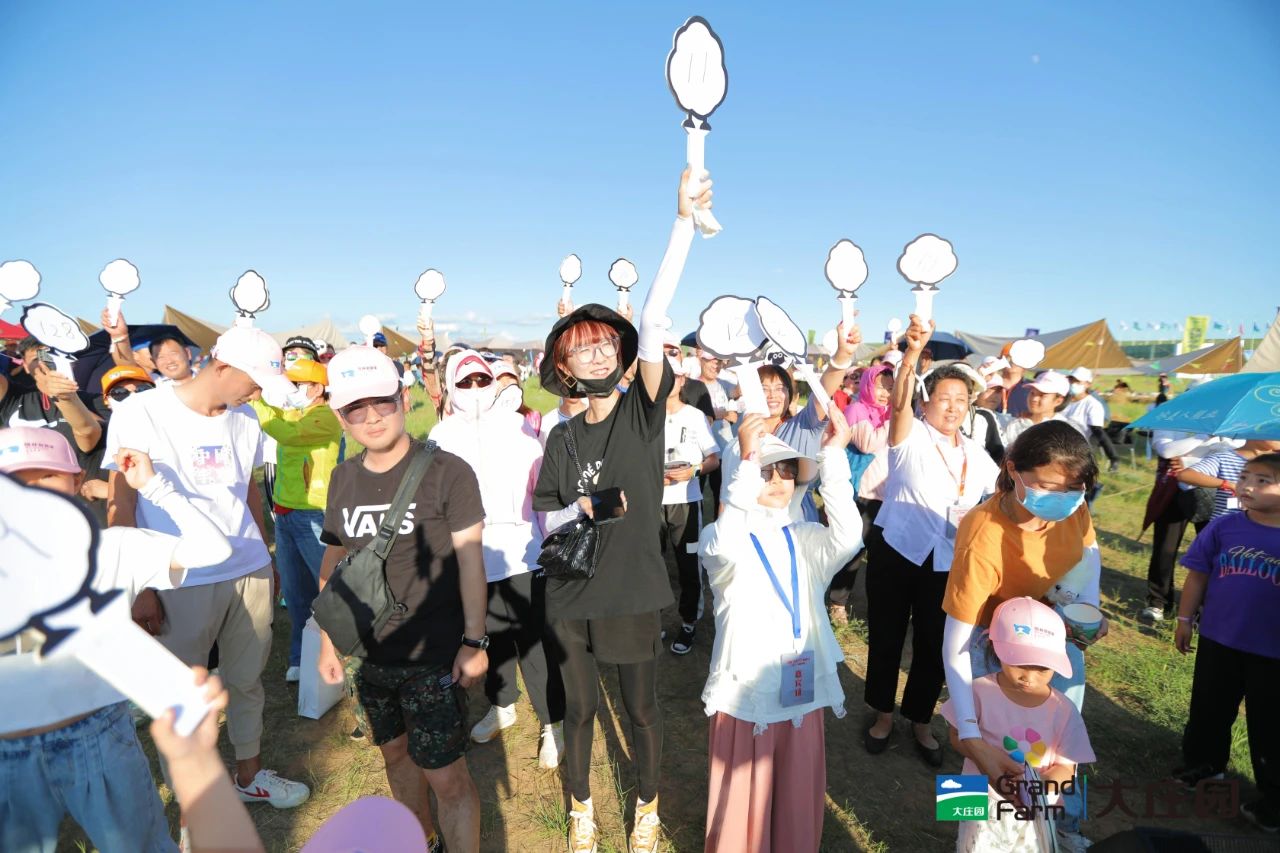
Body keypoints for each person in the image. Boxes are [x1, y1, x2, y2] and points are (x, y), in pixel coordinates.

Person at [532, 166, 709, 853]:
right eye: (581, 348)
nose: (597, 351)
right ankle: (581, 808)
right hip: (571, 590)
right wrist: (586, 504)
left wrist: (682, 223)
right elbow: (547, 512)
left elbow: (657, 315)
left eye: (605, 341)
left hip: (633, 589)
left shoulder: (643, 414)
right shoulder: (560, 436)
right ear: (564, 368)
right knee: (579, 708)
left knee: (640, 709)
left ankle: (648, 806)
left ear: (621, 353)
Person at [105, 325, 311, 808]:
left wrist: (266, 556)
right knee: (179, 695)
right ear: (221, 366)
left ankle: (250, 775)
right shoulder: (141, 411)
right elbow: (121, 500)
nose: (256, 393)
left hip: (248, 569)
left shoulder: (246, 418)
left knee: (246, 681)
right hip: (177, 577)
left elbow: (247, 489)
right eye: (254, 382)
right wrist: (137, 585)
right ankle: (193, 800)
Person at [0, 429, 232, 853]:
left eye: (46, 477)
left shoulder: (111, 549)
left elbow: (214, 551)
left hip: (99, 736)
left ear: (76, 482)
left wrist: (155, 487)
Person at [316, 344, 488, 853]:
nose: (372, 417)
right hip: (369, 656)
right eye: (355, 408)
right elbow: (334, 565)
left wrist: (474, 642)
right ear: (340, 416)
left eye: (382, 402)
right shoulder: (343, 478)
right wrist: (326, 642)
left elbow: (471, 562)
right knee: (394, 755)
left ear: (404, 398)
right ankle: (422, 841)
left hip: (432, 654)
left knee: (447, 776)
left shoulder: (448, 471)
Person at [698, 411, 861, 853]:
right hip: (746, 691)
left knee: (795, 789)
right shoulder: (720, 538)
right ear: (741, 475)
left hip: (799, 687)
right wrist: (746, 462)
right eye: (765, 471)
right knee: (743, 798)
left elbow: (849, 536)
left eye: (786, 471)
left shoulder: (805, 537)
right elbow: (726, 540)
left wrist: (834, 457)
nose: (777, 480)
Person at [940, 419, 1103, 847]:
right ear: (1013, 469)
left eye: (1074, 488)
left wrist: (1089, 609)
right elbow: (955, 644)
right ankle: (969, 833)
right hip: (991, 641)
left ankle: (1059, 829)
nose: (1062, 498)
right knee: (984, 746)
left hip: (1051, 637)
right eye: (1047, 486)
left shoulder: (1074, 506)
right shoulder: (982, 533)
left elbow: (1089, 552)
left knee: (1058, 744)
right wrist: (971, 738)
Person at [863, 316, 999, 767]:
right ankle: (882, 714)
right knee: (886, 634)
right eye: (944, 398)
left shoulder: (976, 454)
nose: (953, 407)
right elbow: (900, 402)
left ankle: (920, 720)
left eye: (962, 399)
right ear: (926, 402)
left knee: (935, 642)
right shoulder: (909, 435)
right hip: (897, 548)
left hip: (947, 560)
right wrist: (913, 354)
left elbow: (1000, 496)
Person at [427, 350, 565, 771]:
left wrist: (548, 542)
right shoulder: (441, 435)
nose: (473, 389)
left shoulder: (520, 428)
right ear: (452, 386)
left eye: (481, 380)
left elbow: (541, 490)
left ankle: (552, 723)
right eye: (464, 381)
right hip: (471, 557)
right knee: (489, 637)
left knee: (534, 645)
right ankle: (502, 704)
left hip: (524, 553)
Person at [1173, 453, 1280, 833]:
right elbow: (1197, 576)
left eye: (1263, 480)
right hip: (1219, 639)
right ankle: (1203, 766)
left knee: (1270, 724)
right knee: (1209, 707)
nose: (1248, 486)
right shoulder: (1224, 527)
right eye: (1245, 476)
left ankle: (1273, 799)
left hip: (1272, 652)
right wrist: (1184, 619)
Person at [941, 597, 1095, 853]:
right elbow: (956, 735)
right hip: (975, 791)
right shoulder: (977, 690)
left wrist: (1038, 789)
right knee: (970, 845)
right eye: (1020, 663)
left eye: (1042, 669)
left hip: (1033, 807)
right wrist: (983, 757)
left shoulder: (1064, 710)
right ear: (995, 647)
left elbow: (1067, 770)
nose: (1029, 677)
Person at [248, 357, 342, 682]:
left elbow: (286, 433)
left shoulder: (325, 418)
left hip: (314, 514)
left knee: (328, 590)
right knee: (296, 593)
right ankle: (300, 659)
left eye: (298, 384)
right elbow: (280, 419)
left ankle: (344, 654)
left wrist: (256, 403)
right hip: (285, 515)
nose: (293, 390)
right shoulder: (295, 413)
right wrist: (261, 399)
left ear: (318, 388)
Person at [718, 323, 862, 524]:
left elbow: (822, 391)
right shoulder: (744, 433)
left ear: (789, 394)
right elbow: (728, 492)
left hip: (796, 523)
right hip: (752, 522)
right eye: (764, 388)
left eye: (780, 388)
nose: (773, 395)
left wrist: (842, 355)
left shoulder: (804, 425)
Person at [660, 339, 720, 655]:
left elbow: (714, 459)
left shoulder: (695, 416)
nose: (669, 381)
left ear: (683, 379)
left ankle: (688, 622)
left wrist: (693, 471)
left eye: (674, 375)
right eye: (662, 375)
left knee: (688, 565)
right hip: (651, 502)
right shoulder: (645, 414)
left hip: (686, 501)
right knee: (651, 565)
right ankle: (652, 622)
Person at [1139, 432, 1238, 622]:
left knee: (1210, 554)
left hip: (1211, 493)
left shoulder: (1227, 424)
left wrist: (1190, 461)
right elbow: (1167, 450)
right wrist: (1206, 435)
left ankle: (1202, 608)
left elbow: (1232, 449)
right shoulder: (1172, 420)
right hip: (1172, 492)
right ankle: (1158, 601)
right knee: (1165, 550)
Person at [827, 362, 894, 618]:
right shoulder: (857, 409)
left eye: (891, 388)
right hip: (863, 493)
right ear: (867, 385)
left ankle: (874, 604)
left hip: (887, 495)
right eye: (881, 387)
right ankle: (837, 602)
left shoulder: (887, 413)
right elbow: (868, 444)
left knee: (880, 555)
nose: (886, 394)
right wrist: (893, 419)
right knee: (853, 551)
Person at [0, 336, 103, 459]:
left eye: (50, 355)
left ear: (69, 359)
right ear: (26, 366)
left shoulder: (97, 400)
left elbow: (90, 435)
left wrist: (64, 397)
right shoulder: (16, 399)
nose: (44, 362)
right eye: (36, 358)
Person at [1176, 439, 1280, 520]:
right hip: (1226, 524)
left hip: (1267, 526)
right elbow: (1186, 475)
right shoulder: (1224, 457)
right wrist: (1228, 485)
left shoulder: (1277, 462)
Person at [1061, 367, 1119, 473]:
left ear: (1088, 384)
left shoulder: (1092, 405)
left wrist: (1113, 457)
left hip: (1076, 450)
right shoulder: (1062, 400)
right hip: (1056, 445)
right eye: (1071, 380)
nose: (1073, 384)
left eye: (1078, 382)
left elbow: (1098, 432)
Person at [1000, 371, 1069, 447]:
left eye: (1042, 395)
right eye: (1032, 393)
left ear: (1058, 401)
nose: (1034, 399)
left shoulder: (1064, 430)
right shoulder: (1016, 425)